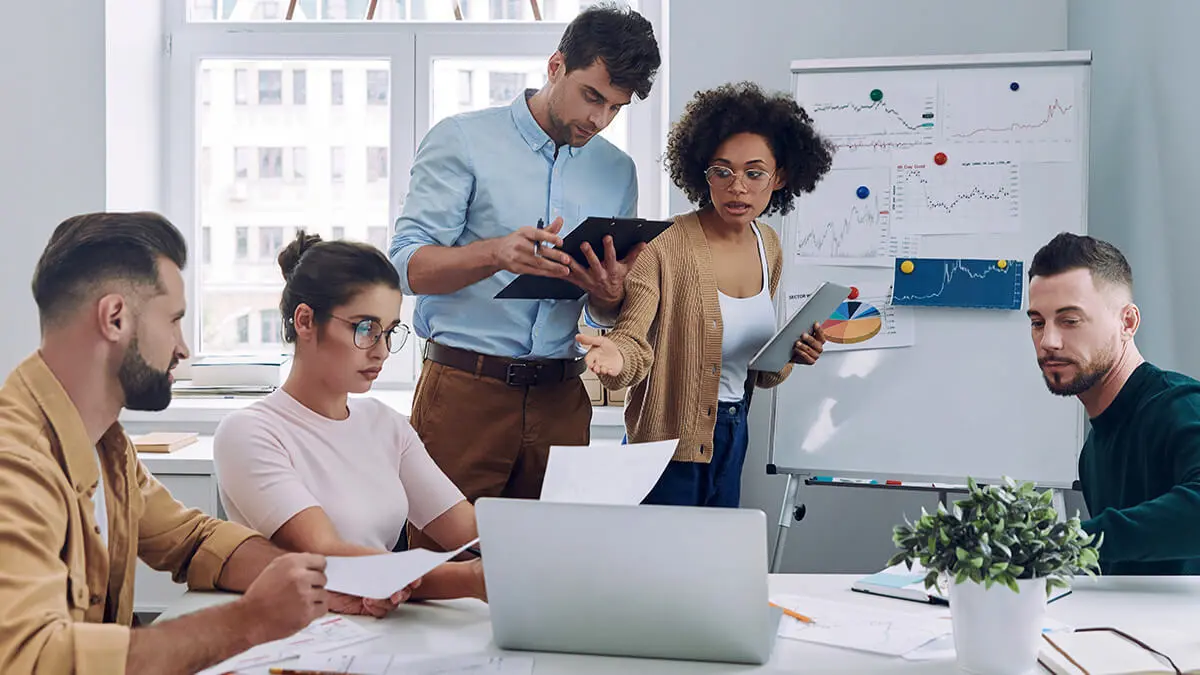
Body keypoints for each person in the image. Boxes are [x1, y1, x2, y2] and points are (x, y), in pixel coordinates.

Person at [0, 212, 386, 675]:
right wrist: (249, 621)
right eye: (175, 321)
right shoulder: (15, 464)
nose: (183, 349)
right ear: (115, 318)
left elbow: (192, 540)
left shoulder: (108, 448)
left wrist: (316, 584)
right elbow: (31, 658)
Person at [390, 4, 661, 548]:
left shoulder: (617, 170)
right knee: (440, 570)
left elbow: (603, 310)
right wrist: (495, 253)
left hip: (562, 400)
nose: (599, 119)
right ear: (556, 65)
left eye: (615, 107)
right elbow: (405, 267)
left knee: (554, 567)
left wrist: (609, 295)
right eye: (591, 96)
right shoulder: (462, 140)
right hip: (465, 394)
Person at [575, 82, 834, 507]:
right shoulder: (663, 245)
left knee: (712, 570)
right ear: (702, 172)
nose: (738, 187)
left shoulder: (768, 244)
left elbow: (757, 371)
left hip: (732, 437)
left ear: (780, 176)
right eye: (722, 171)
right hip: (663, 448)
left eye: (755, 173)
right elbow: (632, 338)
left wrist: (792, 352)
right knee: (656, 572)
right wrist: (615, 357)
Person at [214, 231, 485, 601]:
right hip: (295, 634)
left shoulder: (384, 424)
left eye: (389, 332)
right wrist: (473, 579)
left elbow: (468, 530)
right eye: (365, 329)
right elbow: (329, 557)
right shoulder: (248, 433)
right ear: (306, 321)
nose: (383, 352)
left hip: (383, 620)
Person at [1027, 232, 1200, 575]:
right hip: (1125, 629)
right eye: (1037, 322)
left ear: (1128, 322)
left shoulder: (1182, 406)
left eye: (1070, 320)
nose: (1049, 341)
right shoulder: (1091, 454)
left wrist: (1063, 542)